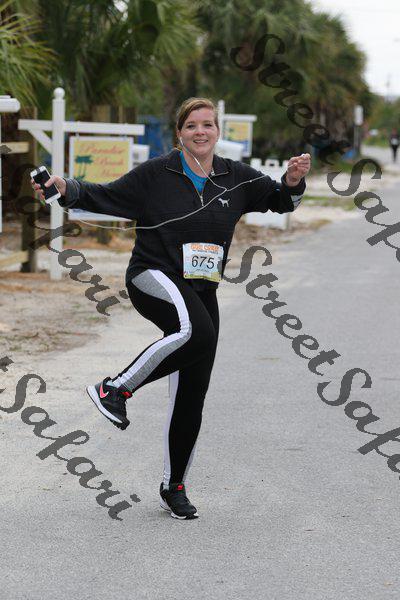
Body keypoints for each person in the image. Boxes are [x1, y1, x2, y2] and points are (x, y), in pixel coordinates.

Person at [31, 97, 311, 520]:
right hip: (152, 276)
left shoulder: (235, 177)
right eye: (192, 125)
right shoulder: (156, 173)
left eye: (208, 125)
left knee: (193, 389)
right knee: (198, 332)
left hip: (201, 289)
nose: (201, 132)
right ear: (180, 133)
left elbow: (281, 201)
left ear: (218, 131)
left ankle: (174, 485)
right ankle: (114, 389)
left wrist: (291, 181)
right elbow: (105, 196)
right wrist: (64, 187)